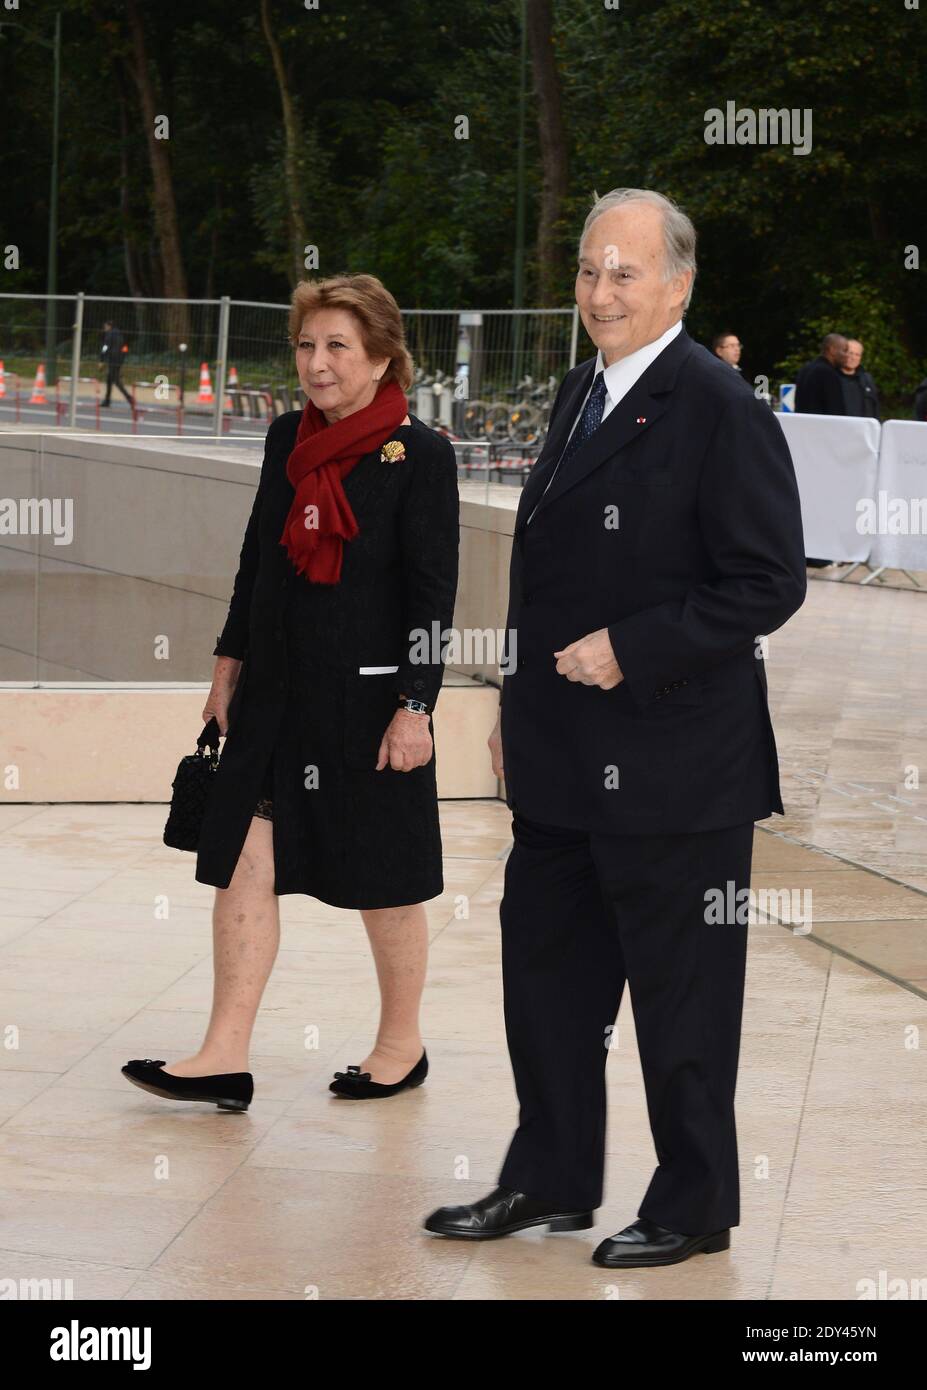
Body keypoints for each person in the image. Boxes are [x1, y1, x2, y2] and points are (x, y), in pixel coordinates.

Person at [424, 188, 807, 1268]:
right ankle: (547, 1178)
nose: (600, 292)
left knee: (680, 1008)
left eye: (624, 273)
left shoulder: (719, 402)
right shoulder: (578, 391)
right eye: (590, 271)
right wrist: (512, 704)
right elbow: (542, 571)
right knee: (546, 980)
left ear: (679, 284)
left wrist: (635, 646)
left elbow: (768, 581)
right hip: (557, 755)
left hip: (676, 763)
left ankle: (693, 1203)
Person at [122, 273, 459, 1111]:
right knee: (242, 856)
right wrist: (227, 667)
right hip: (276, 692)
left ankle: (399, 1044)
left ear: (383, 358)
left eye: (337, 346)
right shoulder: (285, 440)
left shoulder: (419, 455)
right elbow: (258, 563)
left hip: (371, 705)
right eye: (307, 346)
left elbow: (432, 593)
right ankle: (223, 1056)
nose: (316, 363)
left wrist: (416, 707)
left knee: (382, 878)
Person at [794, 333, 848, 414]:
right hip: (823, 425)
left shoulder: (805, 369)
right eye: (845, 350)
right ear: (832, 350)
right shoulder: (828, 373)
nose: (847, 355)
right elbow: (836, 411)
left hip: (802, 424)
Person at [840, 338, 881, 419]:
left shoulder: (867, 379)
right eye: (850, 353)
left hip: (863, 429)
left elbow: (875, 407)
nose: (853, 357)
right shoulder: (831, 378)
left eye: (857, 354)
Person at [99, 321, 133, 408]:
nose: (104, 329)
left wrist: (102, 360)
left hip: (112, 359)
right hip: (119, 360)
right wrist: (122, 357)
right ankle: (107, 400)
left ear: (109, 326)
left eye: (105, 327)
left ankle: (130, 398)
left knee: (116, 381)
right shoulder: (120, 334)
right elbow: (125, 347)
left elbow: (105, 347)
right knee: (109, 380)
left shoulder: (109, 335)